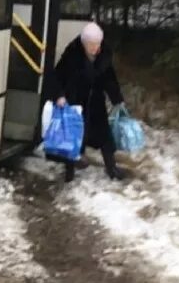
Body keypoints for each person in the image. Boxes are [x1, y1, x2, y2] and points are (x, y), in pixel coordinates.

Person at [50, 22, 127, 182]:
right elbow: (58, 76)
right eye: (92, 45)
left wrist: (117, 99)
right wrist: (59, 95)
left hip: (96, 101)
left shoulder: (104, 53)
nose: (95, 48)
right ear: (84, 44)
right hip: (76, 101)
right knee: (74, 137)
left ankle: (111, 168)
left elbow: (110, 79)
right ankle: (69, 172)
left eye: (97, 44)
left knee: (105, 135)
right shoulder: (72, 53)